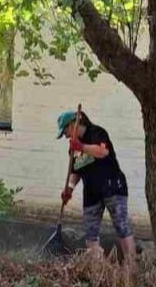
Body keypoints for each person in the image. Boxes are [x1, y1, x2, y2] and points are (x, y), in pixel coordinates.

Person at [56, 109, 137, 273]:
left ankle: (132, 269)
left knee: (121, 226)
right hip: (91, 191)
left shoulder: (97, 133)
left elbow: (102, 152)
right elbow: (76, 170)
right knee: (90, 232)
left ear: (74, 124)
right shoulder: (73, 147)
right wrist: (69, 189)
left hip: (112, 186)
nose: (65, 135)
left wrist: (82, 146)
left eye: (65, 131)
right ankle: (98, 271)